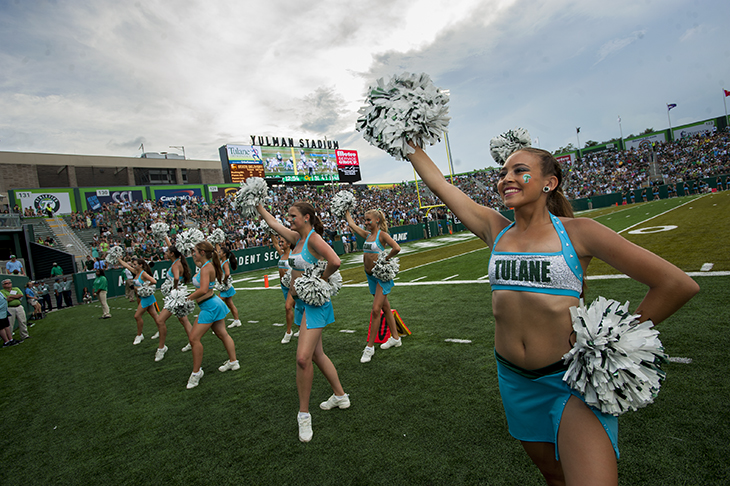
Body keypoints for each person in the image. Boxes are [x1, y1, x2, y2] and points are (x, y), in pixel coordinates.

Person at [405, 144, 699, 485]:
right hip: (514, 380)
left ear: (550, 183)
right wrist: (410, 143)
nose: (506, 179)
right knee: (553, 476)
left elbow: (676, 284)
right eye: (503, 173)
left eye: (518, 170)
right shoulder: (494, 229)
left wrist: (616, 340)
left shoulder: (579, 232)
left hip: (570, 382)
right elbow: (441, 185)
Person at [256, 201, 348, 443]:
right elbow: (273, 223)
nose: (289, 219)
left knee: (302, 358)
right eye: (289, 215)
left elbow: (335, 261)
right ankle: (340, 395)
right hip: (301, 304)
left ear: (307, 217)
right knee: (317, 354)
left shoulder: (314, 239)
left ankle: (304, 415)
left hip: (315, 305)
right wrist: (257, 204)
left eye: (293, 215)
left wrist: (320, 280)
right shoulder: (296, 238)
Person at [345, 209, 402, 363]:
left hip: (380, 276)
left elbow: (396, 248)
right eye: (365, 220)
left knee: (376, 310)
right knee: (385, 307)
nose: (366, 222)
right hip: (370, 277)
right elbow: (351, 224)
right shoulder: (367, 235)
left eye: (369, 220)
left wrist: (386, 258)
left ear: (377, 220)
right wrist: (346, 210)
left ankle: (369, 348)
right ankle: (396, 338)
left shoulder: (381, 235)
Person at [184, 241, 239, 389]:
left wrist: (187, 298)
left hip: (210, 307)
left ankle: (196, 373)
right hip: (212, 304)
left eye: (194, 251)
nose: (192, 253)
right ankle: (233, 362)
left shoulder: (206, 267)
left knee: (194, 338)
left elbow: (202, 290)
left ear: (202, 252)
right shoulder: (206, 266)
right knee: (222, 334)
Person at [118, 258, 167, 361]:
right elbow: (126, 265)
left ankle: (139, 335)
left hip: (146, 298)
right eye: (133, 264)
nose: (133, 265)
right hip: (140, 297)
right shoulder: (136, 272)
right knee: (155, 316)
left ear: (140, 265)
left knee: (137, 316)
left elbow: (153, 281)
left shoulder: (143, 273)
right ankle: (160, 330)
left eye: (135, 264)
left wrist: (145, 288)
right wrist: (118, 258)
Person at [159, 240, 193, 353]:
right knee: (184, 320)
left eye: (167, 252)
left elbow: (177, 278)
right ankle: (193, 341)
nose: (166, 253)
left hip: (175, 297)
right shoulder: (178, 261)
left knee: (160, 320)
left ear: (172, 254)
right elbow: (172, 247)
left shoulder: (175, 265)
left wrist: (173, 288)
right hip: (179, 295)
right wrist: (164, 236)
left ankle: (161, 348)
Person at [271, 235, 297, 344]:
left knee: (287, 307)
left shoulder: (293, 255)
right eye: (280, 242)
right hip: (283, 285)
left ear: (289, 243)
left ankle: (288, 332)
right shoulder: (282, 254)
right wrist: (270, 232)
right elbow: (275, 243)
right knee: (296, 306)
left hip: (292, 285)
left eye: (283, 242)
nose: (280, 243)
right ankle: (303, 326)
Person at [216, 245, 242, 328]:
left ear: (224, 254)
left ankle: (218, 325)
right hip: (226, 288)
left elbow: (227, 273)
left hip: (226, 288)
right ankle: (237, 321)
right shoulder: (222, 261)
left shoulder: (225, 263)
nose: (219, 253)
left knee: (217, 304)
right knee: (230, 304)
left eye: (220, 252)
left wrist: (224, 281)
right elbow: (217, 249)